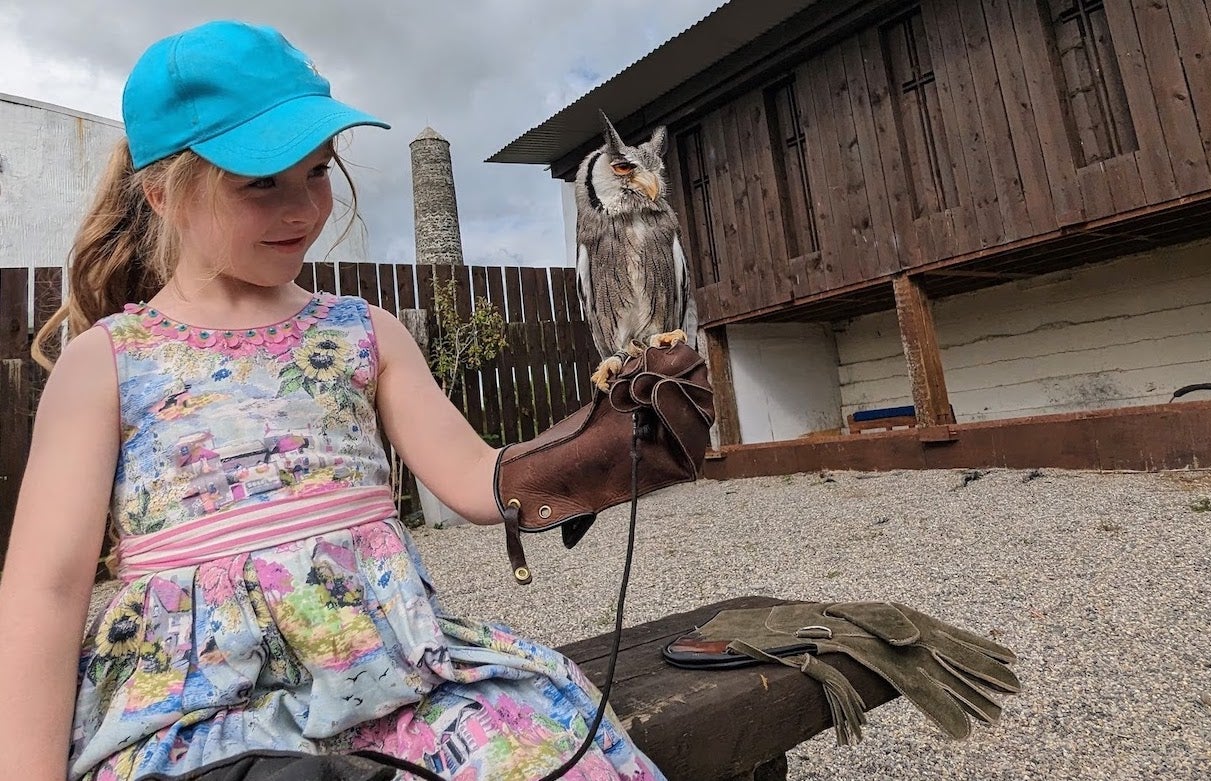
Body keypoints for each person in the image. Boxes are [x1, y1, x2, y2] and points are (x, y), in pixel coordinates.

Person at [0, 20, 694, 780]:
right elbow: (46, 586)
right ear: (163, 193)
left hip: (397, 682)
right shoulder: (107, 360)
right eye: (261, 182)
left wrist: (601, 449)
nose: (303, 207)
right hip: (200, 716)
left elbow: (473, 476)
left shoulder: (367, 332)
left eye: (318, 171)